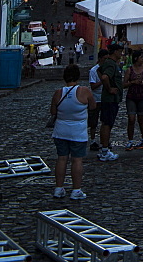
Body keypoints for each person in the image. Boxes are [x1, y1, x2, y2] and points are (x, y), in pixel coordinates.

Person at [50, 63, 97, 201]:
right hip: (78, 131)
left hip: (60, 131)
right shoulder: (84, 91)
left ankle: (58, 188)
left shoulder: (58, 93)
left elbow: (53, 112)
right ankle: (76, 190)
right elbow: (93, 106)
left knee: (62, 158)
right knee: (77, 160)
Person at [98, 43, 124, 162]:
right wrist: (109, 88)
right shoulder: (111, 64)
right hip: (110, 99)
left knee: (106, 123)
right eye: (120, 51)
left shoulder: (109, 63)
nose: (121, 53)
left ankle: (104, 149)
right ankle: (104, 150)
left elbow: (99, 71)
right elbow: (104, 77)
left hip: (110, 99)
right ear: (114, 52)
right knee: (107, 124)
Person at [123, 51, 143, 150]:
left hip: (142, 96)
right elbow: (124, 84)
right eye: (141, 57)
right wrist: (133, 82)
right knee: (131, 119)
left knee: (141, 119)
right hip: (132, 96)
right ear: (136, 58)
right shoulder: (130, 70)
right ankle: (130, 141)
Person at [87, 49, 106, 151]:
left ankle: (104, 141)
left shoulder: (107, 69)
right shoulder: (94, 71)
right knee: (93, 122)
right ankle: (93, 141)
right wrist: (103, 81)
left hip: (105, 98)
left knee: (105, 121)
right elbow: (93, 86)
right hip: (96, 99)